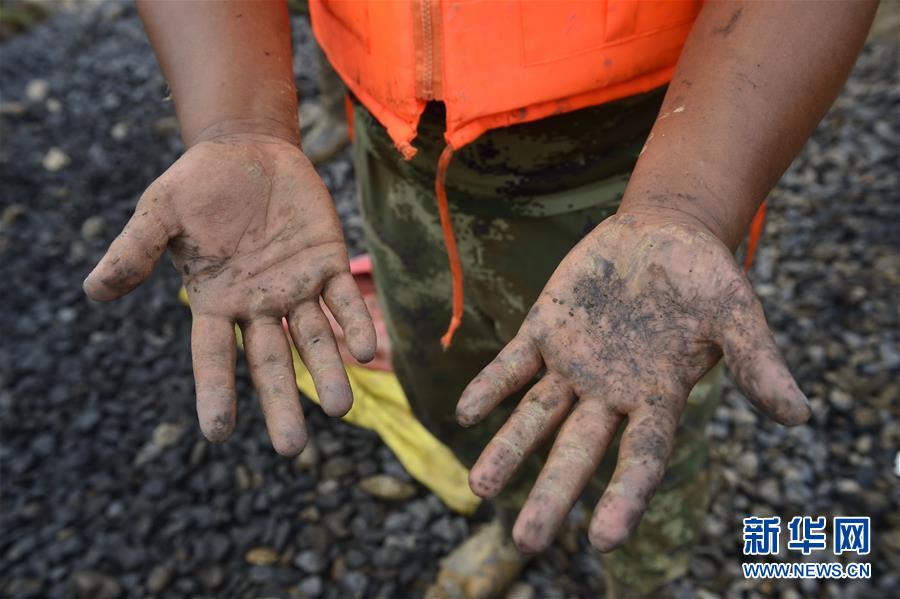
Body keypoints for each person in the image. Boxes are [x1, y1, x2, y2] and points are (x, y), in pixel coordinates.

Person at [83, 1, 877, 597]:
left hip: (643, 161)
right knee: (453, 389)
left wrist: (692, 199)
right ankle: (516, 525)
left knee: (638, 434)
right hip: (399, 152)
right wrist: (237, 116)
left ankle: (647, 573)